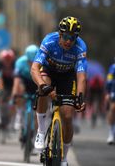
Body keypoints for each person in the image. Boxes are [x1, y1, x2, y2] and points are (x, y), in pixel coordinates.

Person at [31, 16, 87, 166]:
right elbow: (35, 68)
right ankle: (41, 132)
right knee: (42, 89)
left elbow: (81, 77)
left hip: (67, 78)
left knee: (67, 116)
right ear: (60, 34)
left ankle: (64, 157)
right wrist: (43, 86)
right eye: (66, 37)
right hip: (49, 72)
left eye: (73, 38)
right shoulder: (49, 41)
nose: (69, 41)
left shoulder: (80, 47)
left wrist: (80, 98)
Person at [11, 44, 39, 133]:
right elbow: (17, 80)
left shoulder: (41, 61)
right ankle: (19, 114)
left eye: (33, 61)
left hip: (36, 82)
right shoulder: (20, 62)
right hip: (25, 81)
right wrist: (15, 94)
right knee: (19, 89)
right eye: (30, 62)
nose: (31, 64)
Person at [106, 58, 115, 145]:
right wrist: (108, 92)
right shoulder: (113, 67)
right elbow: (109, 80)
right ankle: (111, 133)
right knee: (112, 109)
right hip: (114, 91)